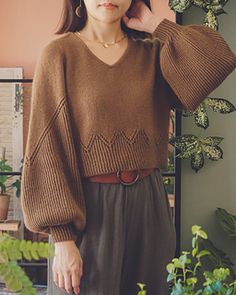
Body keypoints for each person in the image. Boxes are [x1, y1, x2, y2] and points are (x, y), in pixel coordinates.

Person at [20, 0, 236, 294]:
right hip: (89, 209)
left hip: (150, 203)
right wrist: (62, 238)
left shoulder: (153, 52)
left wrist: (155, 25)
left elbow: (218, 59)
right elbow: (48, 148)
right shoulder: (60, 55)